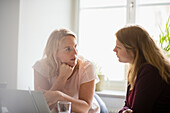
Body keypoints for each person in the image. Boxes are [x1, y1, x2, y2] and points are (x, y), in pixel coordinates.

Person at [32, 28, 100, 113]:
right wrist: (62, 78)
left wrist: (59, 96)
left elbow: (85, 108)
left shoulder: (86, 67)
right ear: (54, 53)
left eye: (75, 47)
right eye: (68, 49)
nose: (75, 53)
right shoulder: (41, 67)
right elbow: (42, 107)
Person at [113, 25, 170, 113]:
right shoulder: (134, 70)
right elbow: (126, 106)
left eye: (119, 47)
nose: (114, 50)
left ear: (134, 50)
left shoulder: (150, 72)